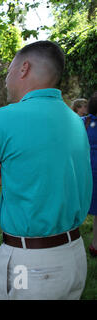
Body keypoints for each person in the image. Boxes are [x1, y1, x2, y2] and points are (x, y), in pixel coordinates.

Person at [0, 40, 91, 300]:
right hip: (75, 255)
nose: (5, 80)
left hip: (30, 262)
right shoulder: (74, 120)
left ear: (24, 69)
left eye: (9, 70)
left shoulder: (5, 117)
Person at [83, 92, 97, 257]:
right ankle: (95, 245)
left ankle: (67, 240)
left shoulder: (82, 122)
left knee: (75, 206)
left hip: (82, 172)